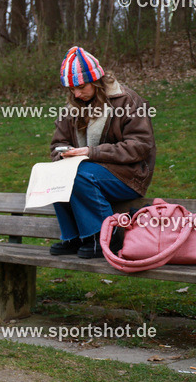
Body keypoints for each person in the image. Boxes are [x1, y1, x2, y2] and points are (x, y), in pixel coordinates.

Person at [49, 46, 156, 258]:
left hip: (129, 175)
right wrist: (62, 153)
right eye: (71, 89)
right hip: (90, 172)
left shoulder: (127, 101)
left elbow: (141, 146)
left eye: (80, 87)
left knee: (79, 174)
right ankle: (73, 237)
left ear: (96, 81)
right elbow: (57, 143)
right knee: (57, 174)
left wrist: (91, 152)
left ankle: (105, 236)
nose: (76, 94)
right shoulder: (72, 107)